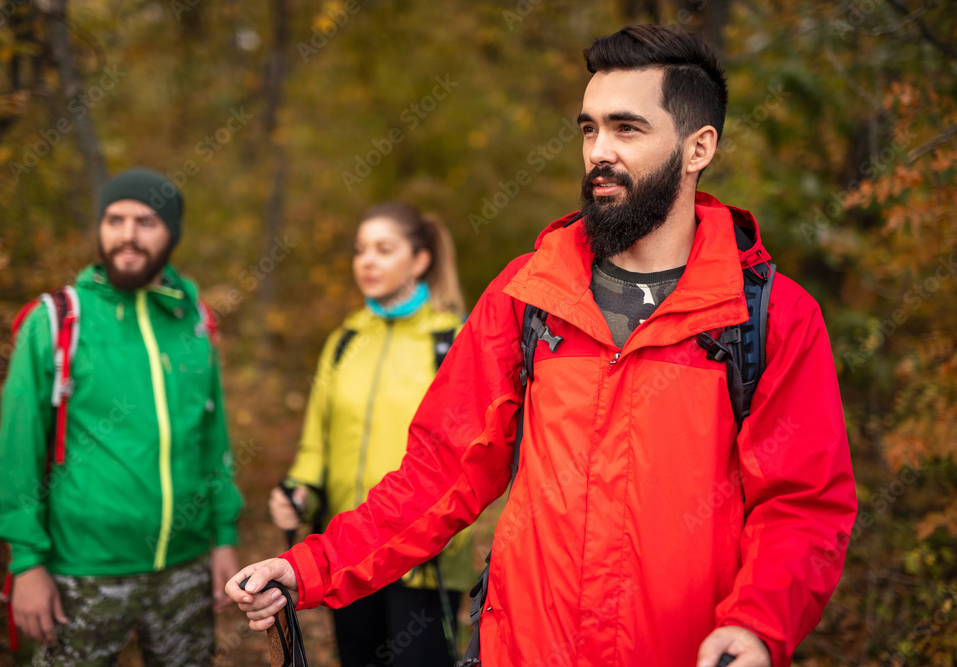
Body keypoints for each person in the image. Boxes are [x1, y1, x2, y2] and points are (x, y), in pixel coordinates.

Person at [227, 25, 857, 667]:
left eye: (626, 129)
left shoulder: (768, 315)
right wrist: (310, 566)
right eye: (589, 129)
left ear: (698, 148)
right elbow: (440, 474)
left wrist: (756, 627)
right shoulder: (529, 292)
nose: (598, 152)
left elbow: (802, 507)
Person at [0, 168, 243, 666]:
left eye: (146, 221)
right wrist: (26, 564)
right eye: (115, 219)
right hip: (81, 573)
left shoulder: (195, 323)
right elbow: (16, 452)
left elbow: (212, 439)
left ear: (172, 232)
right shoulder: (57, 320)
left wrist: (225, 539)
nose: (127, 234)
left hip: (185, 568)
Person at [267, 202, 475, 667]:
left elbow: (467, 458)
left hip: (424, 560)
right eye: (361, 250)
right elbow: (315, 442)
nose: (367, 261)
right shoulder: (344, 340)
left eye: (384, 249)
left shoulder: (452, 341)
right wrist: (299, 489)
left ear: (420, 260)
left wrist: (446, 538)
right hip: (347, 551)